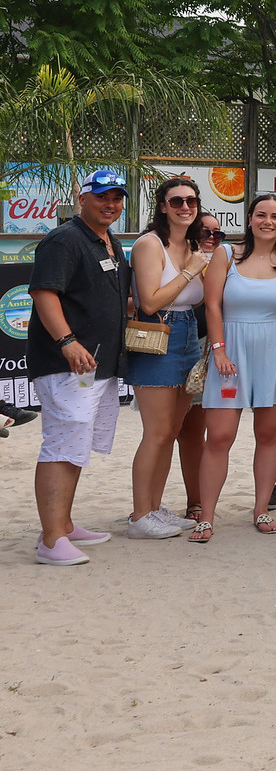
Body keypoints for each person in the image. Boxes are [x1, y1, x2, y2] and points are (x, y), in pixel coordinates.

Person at [29, 168, 131, 565]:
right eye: (103, 196)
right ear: (82, 198)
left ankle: (65, 525)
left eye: (117, 198)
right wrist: (67, 342)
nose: (111, 204)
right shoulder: (64, 239)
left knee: (77, 442)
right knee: (61, 441)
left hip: (96, 365)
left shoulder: (109, 241)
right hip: (66, 362)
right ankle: (52, 540)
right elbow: (43, 292)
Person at [194, 193, 276, 540]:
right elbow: (212, 306)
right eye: (261, 214)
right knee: (220, 436)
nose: (268, 221)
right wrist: (219, 351)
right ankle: (207, 516)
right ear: (250, 218)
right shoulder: (226, 255)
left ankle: (261, 509)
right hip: (231, 355)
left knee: (269, 435)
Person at [123, 176, 211, 540]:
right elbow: (150, 302)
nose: (185, 207)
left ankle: (154, 507)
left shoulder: (191, 245)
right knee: (157, 432)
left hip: (189, 333)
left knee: (173, 430)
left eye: (191, 201)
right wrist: (192, 269)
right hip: (158, 333)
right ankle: (140, 513)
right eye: (176, 201)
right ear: (162, 206)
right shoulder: (149, 244)